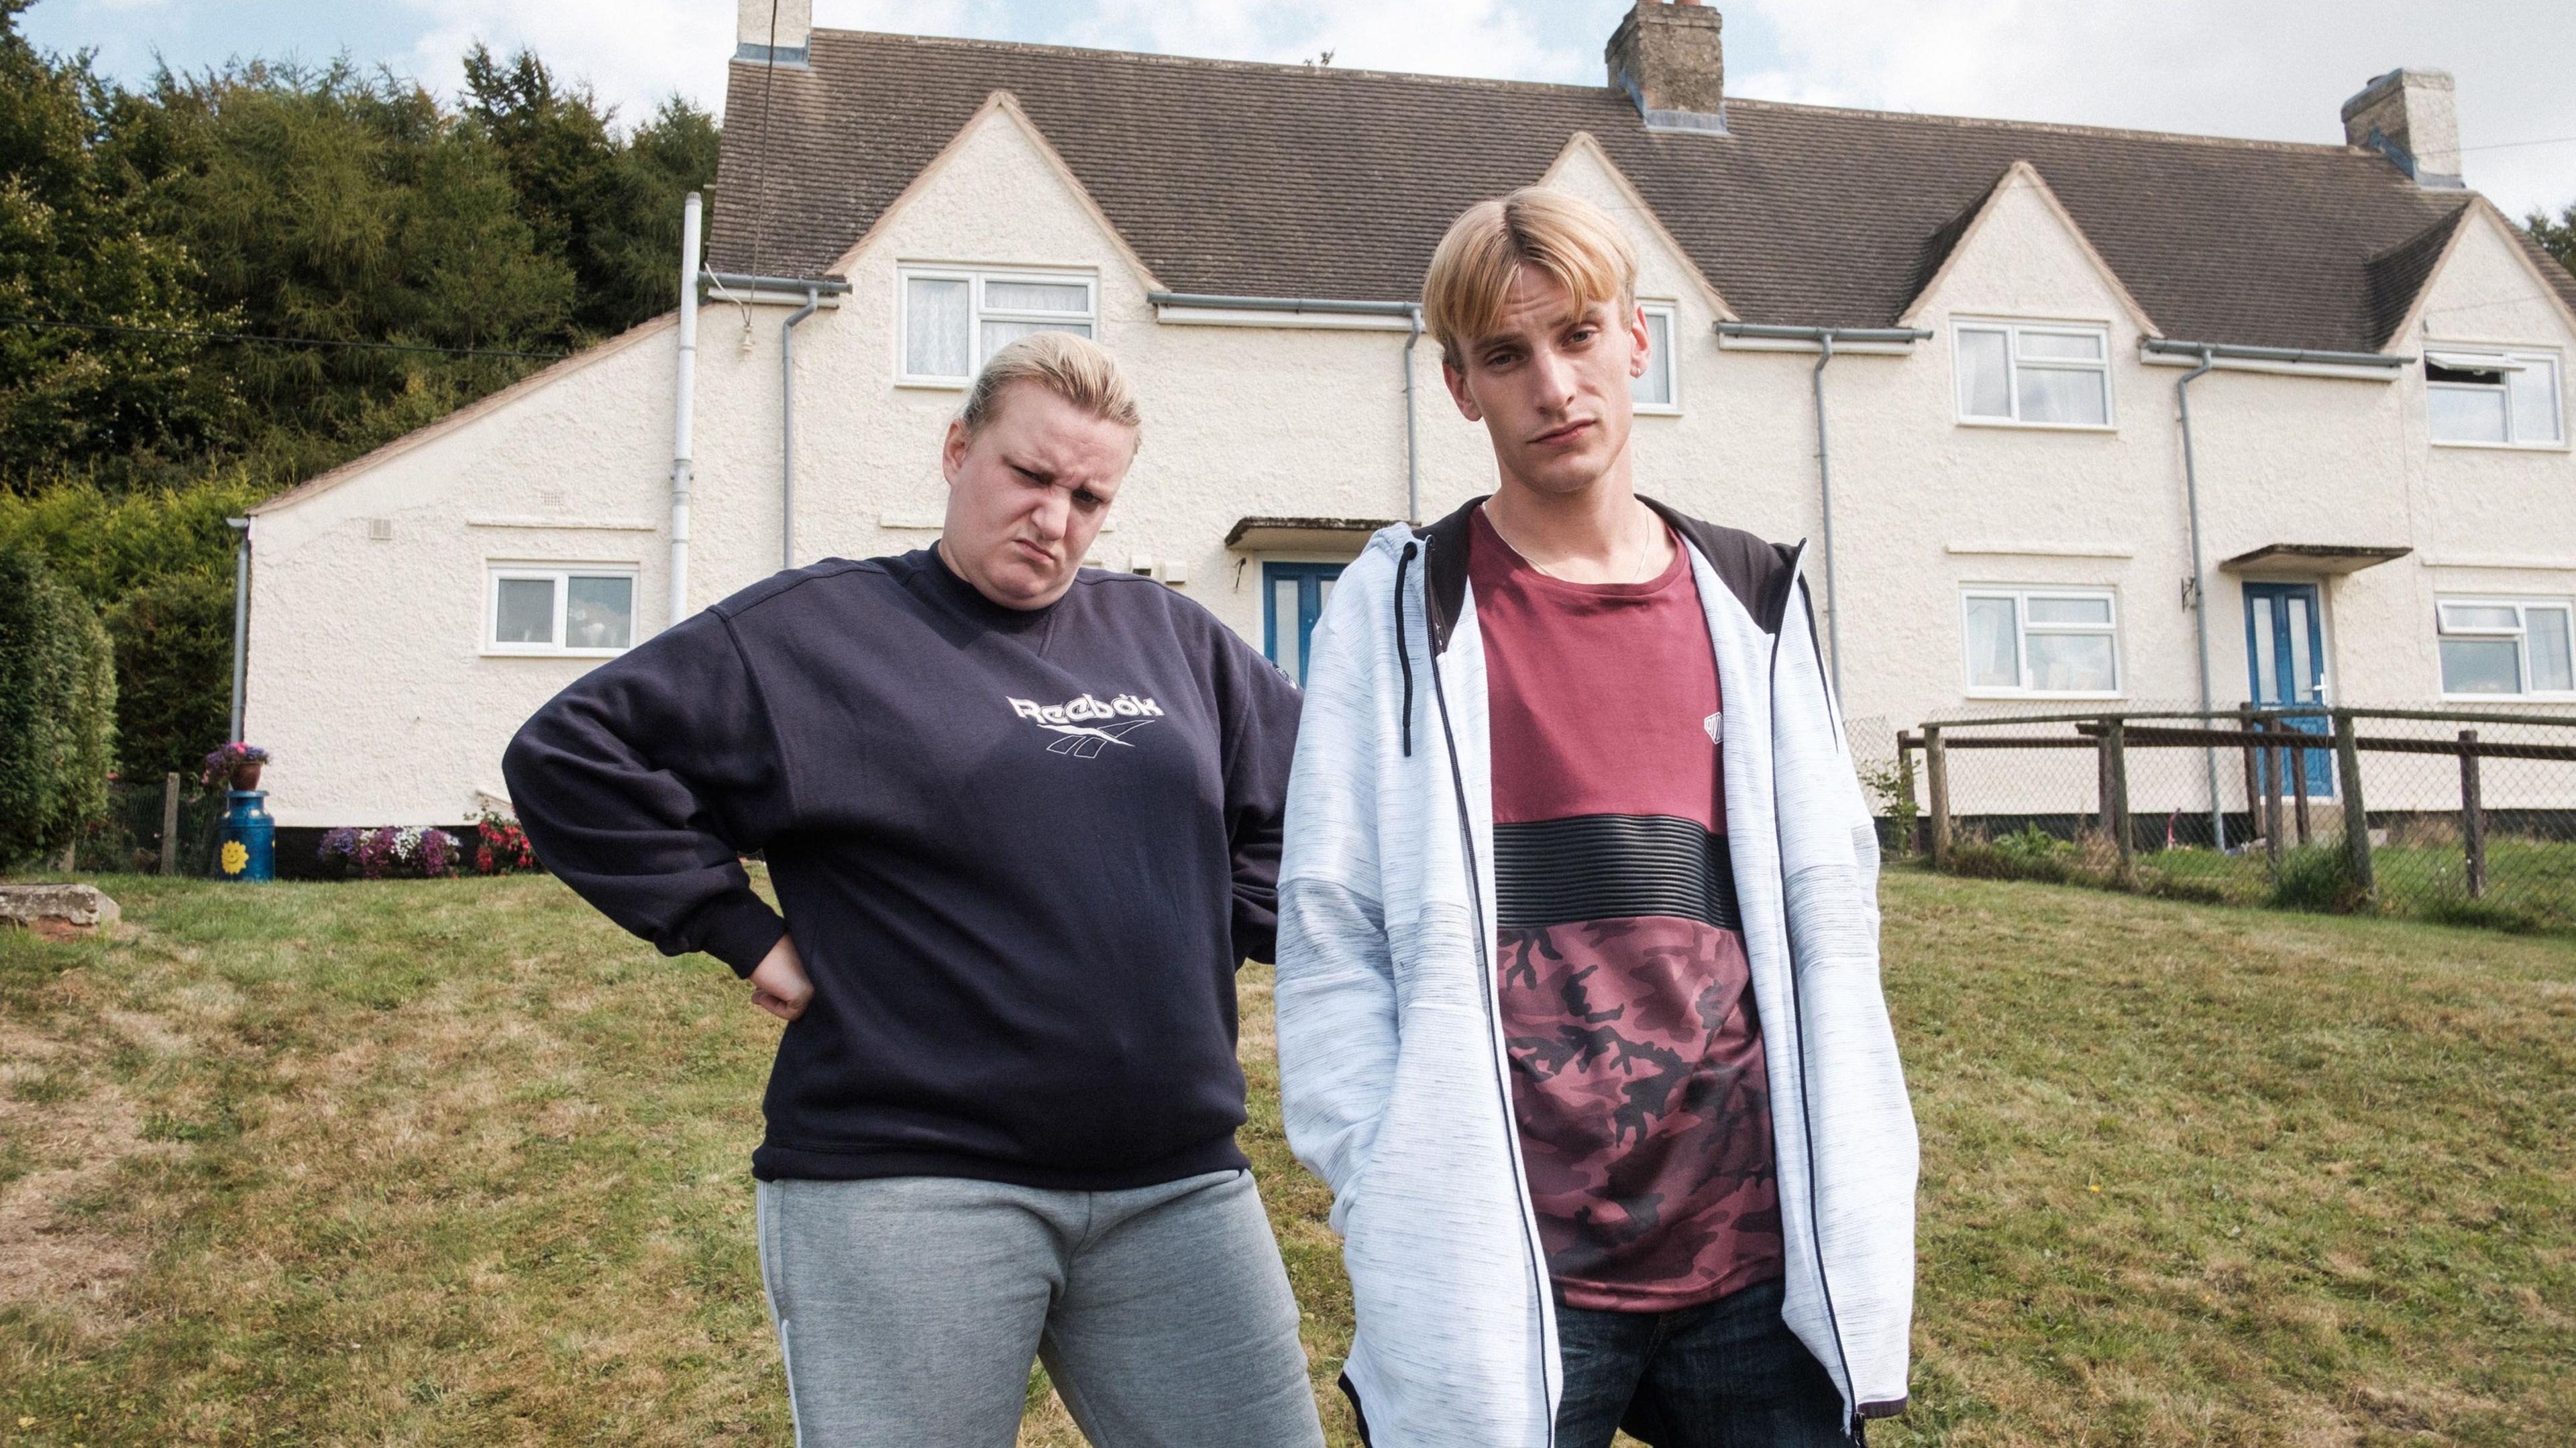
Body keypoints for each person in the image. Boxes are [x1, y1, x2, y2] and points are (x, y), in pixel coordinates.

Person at [503, 333, 1324, 1448]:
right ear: (956, 450)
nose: (1055, 517)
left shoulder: (1169, 637)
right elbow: (572, 754)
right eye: (1030, 477)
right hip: (905, 1187)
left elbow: (1310, 798)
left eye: (1090, 495)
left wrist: (1218, 926)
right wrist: (734, 928)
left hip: (1175, 1186)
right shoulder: (818, 635)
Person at [1274, 188, 1917, 1447]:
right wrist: (1381, 1171)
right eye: (1505, 356)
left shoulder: (1754, 601)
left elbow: (1834, 898)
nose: (1552, 384)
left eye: (1575, 337)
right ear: (1459, 386)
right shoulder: (1399, 613)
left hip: (1750, 1256)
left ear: (1637, 339)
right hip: (1506, 1250)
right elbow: (1329, 919)